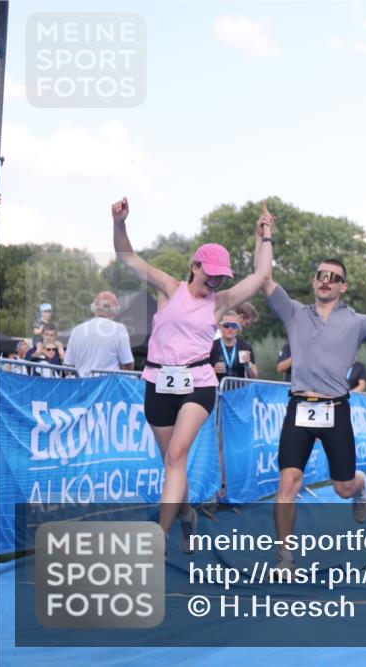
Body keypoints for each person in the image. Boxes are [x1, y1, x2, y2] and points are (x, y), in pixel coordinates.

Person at [112, 196, 275, 553]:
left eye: (221, 277)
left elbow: (261, 275)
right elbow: (129, 258)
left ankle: (160, 535)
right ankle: (187, 515)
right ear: (196, 266)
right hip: (157, 381)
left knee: (175, 458)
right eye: (211, 274)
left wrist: (266, 236)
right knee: (172, 461)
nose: (215, 282)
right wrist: (120, 224)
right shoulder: (169, 288)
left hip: (198, 384)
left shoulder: (220, 302)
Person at [264, 253, 366, 568]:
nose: (326, 281)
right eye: (321, 275)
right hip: (299, 406)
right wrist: (266, 238)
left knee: (342, 488)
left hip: (335, 409)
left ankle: (360, 484)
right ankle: (284, 558)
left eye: (334, 277)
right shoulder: (294, 313)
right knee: (288, 481)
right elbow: (265, 279)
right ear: (314, 280)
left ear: (344, 286)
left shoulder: (355, 321)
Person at [64, 290, 135, 377]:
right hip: (109, 387)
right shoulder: (119, 329)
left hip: (82, 386)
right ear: (115, 311)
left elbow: (68, 367)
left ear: (94, 309)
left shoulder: (76, 330)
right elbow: (127, 364)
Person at [210, 310, 259, 381]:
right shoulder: (212, 346)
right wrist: (213, 370)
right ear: (220, 326)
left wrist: (248, 365)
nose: (230, 329)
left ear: (238, 328)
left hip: (239, 391)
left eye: (234, 325)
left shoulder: (245, 347)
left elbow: (255, 377)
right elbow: (201, 373)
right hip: (218, 391)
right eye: (226, 325)